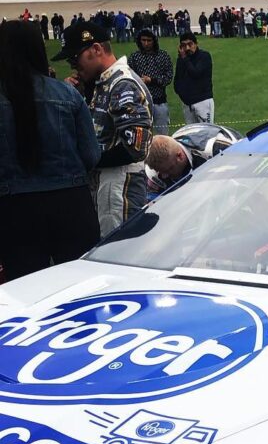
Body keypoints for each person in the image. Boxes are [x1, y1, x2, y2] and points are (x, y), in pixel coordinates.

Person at [0, 20, 101, 279]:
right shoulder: (67, 95)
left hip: (15, 209)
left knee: (24, 294)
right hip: (70, 204)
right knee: (80, 288)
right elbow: (91, 156)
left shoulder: (65, 94)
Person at [55, 18, 153, 236]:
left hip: (119, 185)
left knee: (117, 252)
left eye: (75, 59)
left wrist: (87, 158)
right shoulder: (102, 83)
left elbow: (135, 148)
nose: (73, 67)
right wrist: (84, 92)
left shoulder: (123, 84)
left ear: (96, 49)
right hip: (106, 185)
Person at [145, 122, 242, 196]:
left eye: (168, 169)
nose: (164, 176)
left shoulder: (216, 148)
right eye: (160, 171)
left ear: (180, 156)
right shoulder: (153, 173)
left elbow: (246, 175)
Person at [127, 28, 173, 136]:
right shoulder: (134, 57)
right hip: (140, 103)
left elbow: (168, 77)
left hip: (159, 102)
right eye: (143, 40)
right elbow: (128, 77)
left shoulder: (163, 56)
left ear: (154, 41)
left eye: (149, 40)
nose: (146, 43)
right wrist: (139, 81)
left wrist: (152, 80)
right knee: (142, 136)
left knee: (162, 135)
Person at [173, 31, 215, 124]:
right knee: (191, 134)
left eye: (190, 44)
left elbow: (196, 73)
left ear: (196, 44)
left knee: (206, 132)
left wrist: (184, 59)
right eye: (184, 45)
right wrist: (182, 94)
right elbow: (177, 80)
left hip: (202, 101)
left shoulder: (204, 56)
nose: (187, 48)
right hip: (187, 104)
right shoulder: (181, 60)